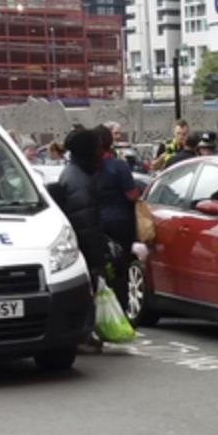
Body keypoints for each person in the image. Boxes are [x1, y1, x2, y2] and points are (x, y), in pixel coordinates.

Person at [55, 128, 108, 353]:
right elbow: (86, 224)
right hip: (83, 251)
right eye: (97, 148)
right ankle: (84, 334)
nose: (101, 153)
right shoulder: (81, 182)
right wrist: (100, 256)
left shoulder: (72, 174)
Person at [95, 125, 138, 313]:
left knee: (102, 270)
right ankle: (120, 312)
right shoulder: (118, 166)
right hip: (121, 224)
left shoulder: (89, 168)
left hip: (98, 225)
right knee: (121, 271)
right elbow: (131, 195)